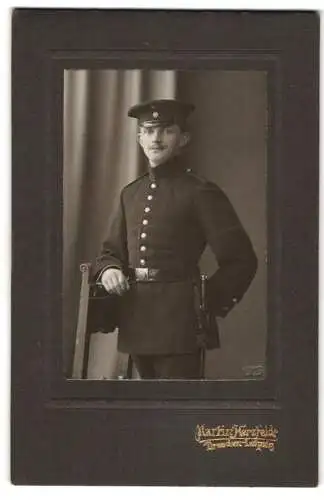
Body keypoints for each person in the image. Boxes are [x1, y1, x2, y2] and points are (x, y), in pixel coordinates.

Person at [93, 98, 258, 379]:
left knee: (177, 412)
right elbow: (110, 252)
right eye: (148, 130)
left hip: (180, 325)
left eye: (167, 131)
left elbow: (242, 260)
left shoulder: (200, 192)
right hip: (136, 321)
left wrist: (204, 304)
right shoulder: (129, 194)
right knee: (143, 414)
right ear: (139, 138)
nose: (156, 138)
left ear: (183, 139)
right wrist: (109, 269)